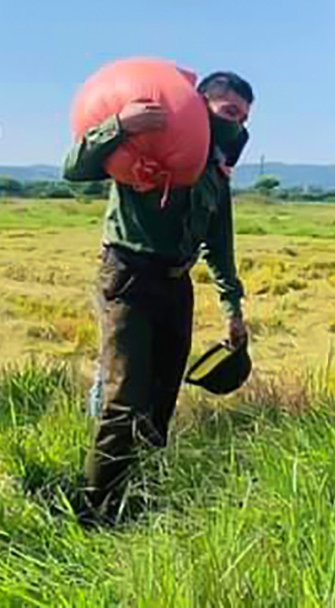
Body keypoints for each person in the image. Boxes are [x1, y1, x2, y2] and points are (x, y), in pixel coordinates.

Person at [64, 70, 252, 524]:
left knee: (163, 399)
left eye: (245, 118)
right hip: (128, 276)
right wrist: (121, 126)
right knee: (125, 397)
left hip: (176, 283)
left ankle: (140, 500)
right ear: (199, 106)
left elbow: (220, 245)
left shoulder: (214, 170)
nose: (238, 125)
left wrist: (233, 309)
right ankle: (95, 516)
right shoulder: (149, 141)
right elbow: (75, 169)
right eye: (229, 112)